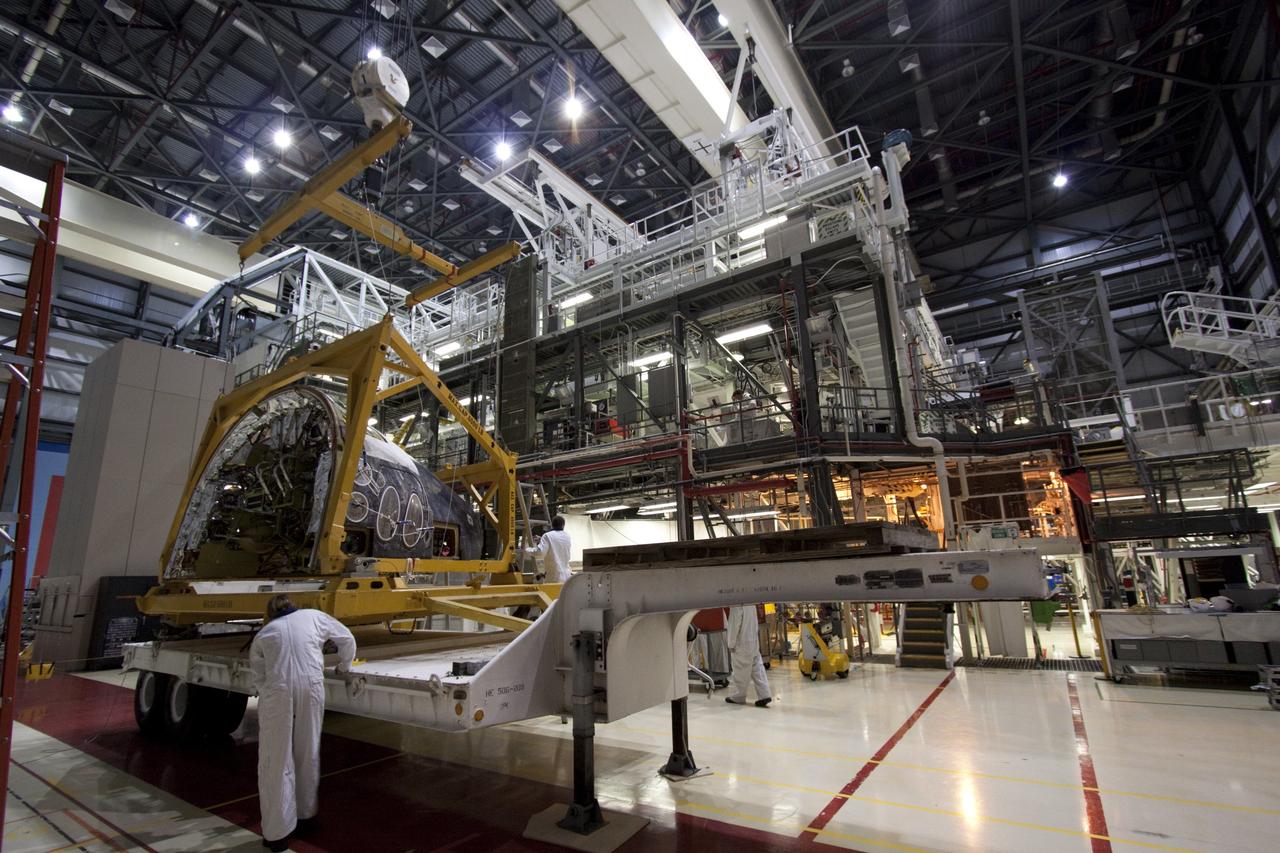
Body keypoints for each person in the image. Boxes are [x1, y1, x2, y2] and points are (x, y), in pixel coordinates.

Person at [250, 595, 356, 851]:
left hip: (279, 689)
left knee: (275, 758)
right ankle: (306, 816)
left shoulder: (265, 633)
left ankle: (276, 834)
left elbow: (258, 673)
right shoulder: (314, 617)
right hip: (312, 685)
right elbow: (347, 639)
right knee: (307, 750)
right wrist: (345, 665)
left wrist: (268, 692)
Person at [724, 604, 772, 707]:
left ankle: (739, 696)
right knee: (758, 669)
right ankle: (765, 694)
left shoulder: (736, 604)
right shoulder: (751, 603)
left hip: (741, 643)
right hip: (753, 641)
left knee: (740, 672)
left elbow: (734, 624)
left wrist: (731, 643)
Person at [527, 515, 572, 583]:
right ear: (563, 525)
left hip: (554, 576)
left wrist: (527, 550)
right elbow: (556, 543)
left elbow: (540, 552)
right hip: (567, 576)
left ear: (552, 525)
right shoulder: (567, 536)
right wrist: (542, 539)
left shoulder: (547, 536)